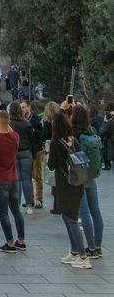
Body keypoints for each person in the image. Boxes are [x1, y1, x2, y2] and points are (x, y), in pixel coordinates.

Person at [47, 110, 90, 269]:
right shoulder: (74, 140)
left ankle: (83, 256)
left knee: (71, 220)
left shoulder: (56, 143)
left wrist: (48, 153)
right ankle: (74, 251)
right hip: (76, 183)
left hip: (65, 185)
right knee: (67, 217)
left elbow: (51, 165)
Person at [0, 109, 26, 253]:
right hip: (14, 179)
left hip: (0, 179)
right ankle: (21, 240)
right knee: (16, 211)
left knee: (3, 213)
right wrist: (5, 121)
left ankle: (9, 243)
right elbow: (10, 130)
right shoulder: (15, 137)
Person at [71, 104, 103, 259]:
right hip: (92, 175)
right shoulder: (92, 131)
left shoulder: (75, 134)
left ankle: (90, 246)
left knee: (84, 212)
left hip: (80, 175)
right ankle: (97, 246)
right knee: (95, 211)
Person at [9, 101, 35, 214]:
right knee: (26, 179)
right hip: (26, 152)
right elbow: (31, 139)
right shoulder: (26, 123)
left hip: (14, 152)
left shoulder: (9, 124)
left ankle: (17, 205)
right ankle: (29, 205)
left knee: (17, 180)